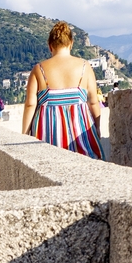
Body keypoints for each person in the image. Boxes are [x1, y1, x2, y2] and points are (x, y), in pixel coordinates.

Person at [21, 21, 104, 160]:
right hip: (81, 131)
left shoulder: (38, 69)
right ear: (71, 43)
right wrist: (97, 127)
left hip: (48, 135)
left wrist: (24, 134)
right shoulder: (85, 66)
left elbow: (30, 104)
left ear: (50, 46)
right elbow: (93, 102)